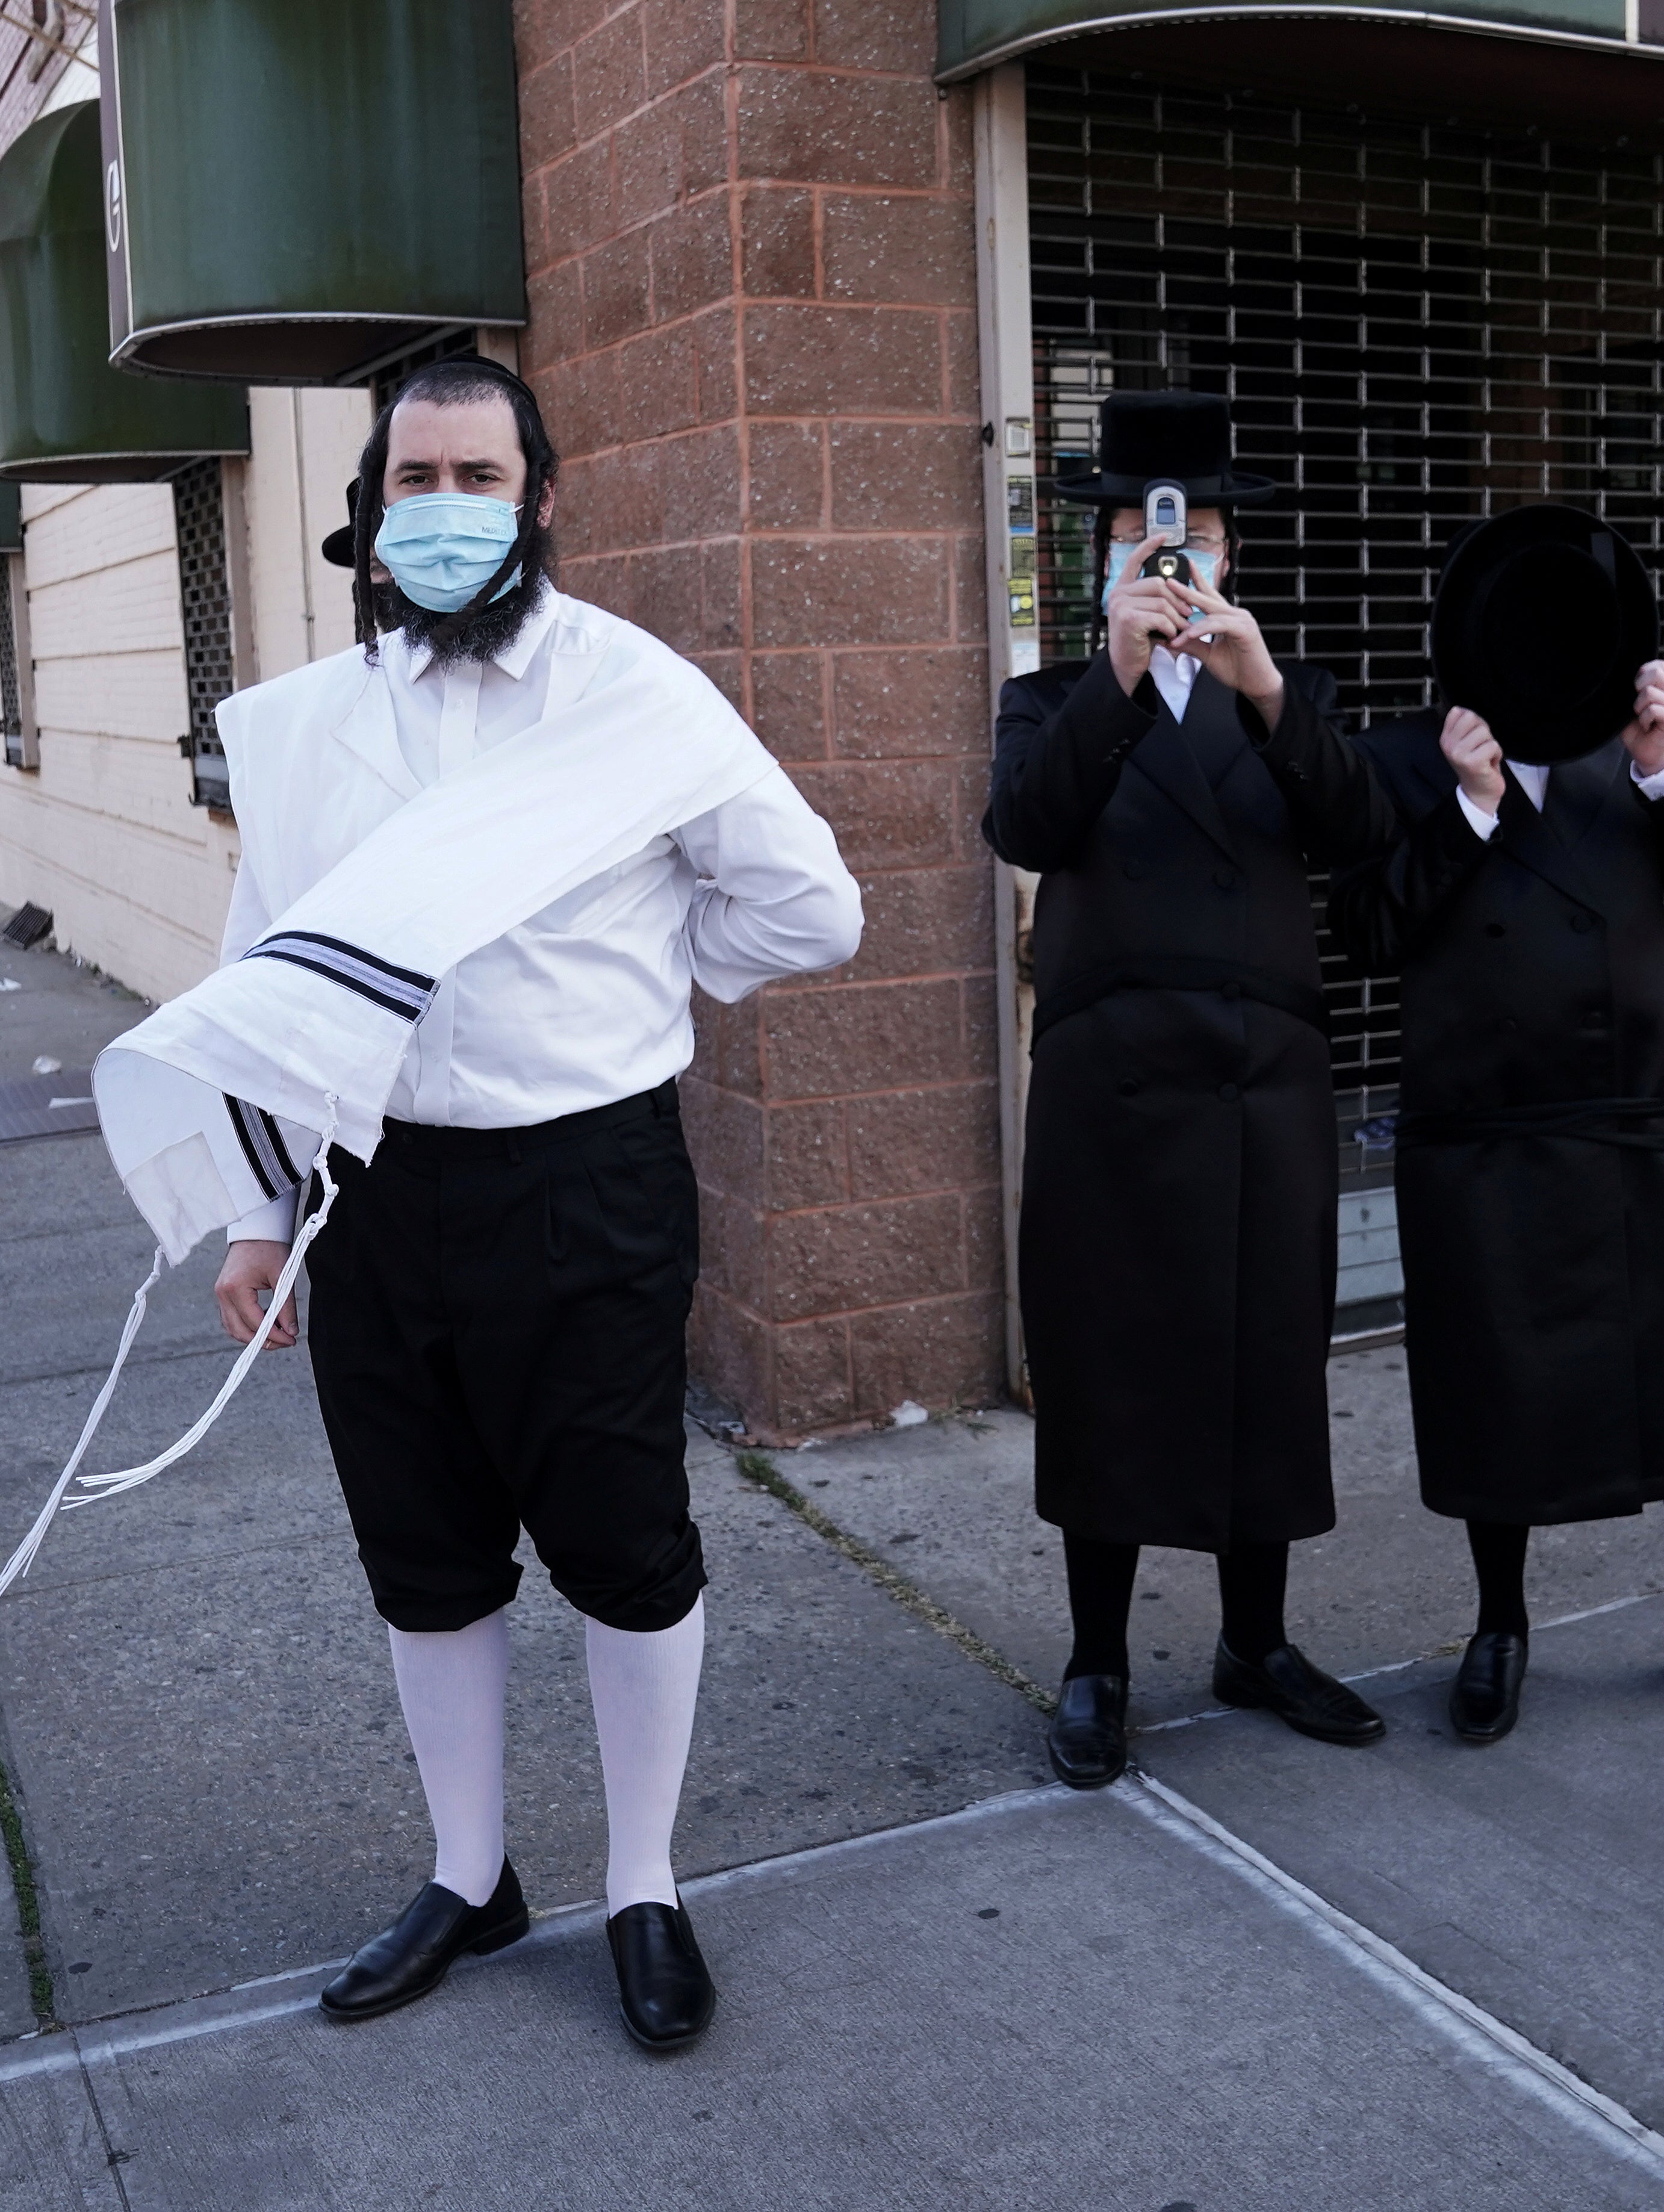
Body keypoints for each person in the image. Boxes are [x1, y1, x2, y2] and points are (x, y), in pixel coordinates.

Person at [197, 358, 861, 2049]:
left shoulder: (639, 696)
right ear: (373, 502)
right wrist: (258, 1215)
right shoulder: (306, 727)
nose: (443, 508)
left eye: (477, 477)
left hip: (587, 1181)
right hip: (376, 1190)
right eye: (414, 478)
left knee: (624, 1551)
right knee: (424, 1555)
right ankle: (471, 1872)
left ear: (541, 495)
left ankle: (644, 1880)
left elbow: (811, 908)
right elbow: (263, 974)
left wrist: (645, 967)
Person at [1327, 505, 1664, 1743]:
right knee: (1492, 1385)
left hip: (1631, 1118)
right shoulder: (1402, 761)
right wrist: (1466, 808)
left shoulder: (1624, 759)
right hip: (1478, 1134)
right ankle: (1498, 1625)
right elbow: (1364, 933)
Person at [984, 389, 1399, 1791]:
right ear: (1103, 558)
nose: (1171, 563)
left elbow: (1356, 833)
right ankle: (1096, 1659)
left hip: (1262, 1079)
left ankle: (1255, 1640)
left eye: (1197, 539)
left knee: (1261, 1363)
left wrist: (1265, 688)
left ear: (1229, 559)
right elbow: (1023, 826)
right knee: (1107, 1366)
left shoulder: (1284, 694)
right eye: (1142, 539)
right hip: (1110, 1085)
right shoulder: (1049, 700)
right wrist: (1112, 674)